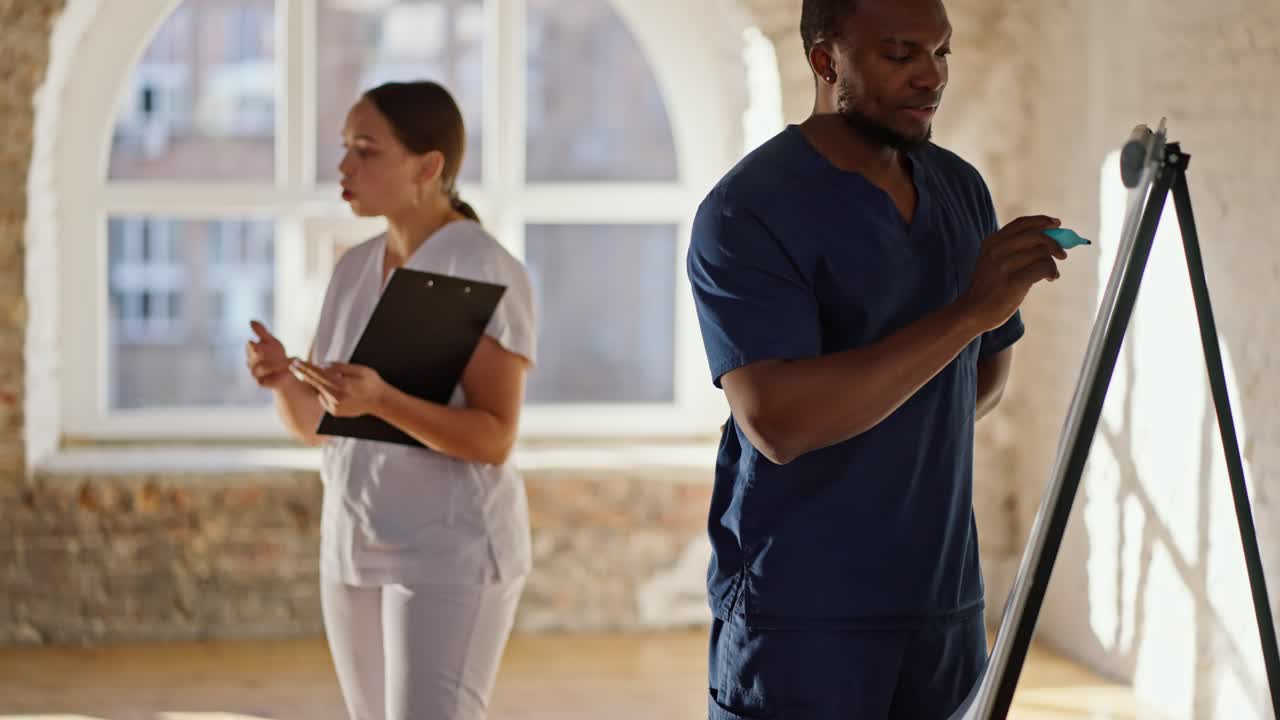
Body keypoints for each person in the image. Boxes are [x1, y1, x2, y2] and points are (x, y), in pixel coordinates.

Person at [686, 1, 1074, 717]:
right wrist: (966, 313)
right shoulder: (748, 210)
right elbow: (778, 420)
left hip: (943, 605)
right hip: (803, 610)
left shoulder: (959, 189)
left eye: (943, 52)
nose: (932, 76)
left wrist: (977, 321)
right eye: (901, 55)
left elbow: (977, 381)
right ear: (826, 60)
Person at [243, 80, 535, 720]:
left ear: (428, 167)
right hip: (352, 545)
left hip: (447, 552)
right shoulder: (353, 267)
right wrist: (282, 380)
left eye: (366, 151)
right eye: (345, 147)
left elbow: (494, 438)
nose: (344, 166)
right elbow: (322, 427)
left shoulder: (482, 266)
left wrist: (381, 399)